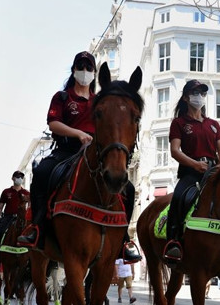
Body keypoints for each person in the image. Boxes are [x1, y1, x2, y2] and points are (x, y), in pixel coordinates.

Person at [18, 51, 141, 263]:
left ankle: (123, 239)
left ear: (94, 73)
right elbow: (53, 124)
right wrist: (78, 134)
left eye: (89, 68)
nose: (85, 72)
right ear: (74, 70)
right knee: (42, 172)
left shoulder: (101, 100)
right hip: (67, 151)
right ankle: (36, 227)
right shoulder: (62, 97)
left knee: (128, 188)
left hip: (96, 153)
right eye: (81, 67)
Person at [163, 79, 220, 264]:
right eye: (195, 92)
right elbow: (175, 151)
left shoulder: (213, 124)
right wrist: (195, 165)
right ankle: (173, 241)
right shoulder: (179, 123)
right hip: (191, 172)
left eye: (202, 93)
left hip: (213, 171)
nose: (199, 96)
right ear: (185, 97)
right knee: (179, 197)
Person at [0, 170, 30, 270]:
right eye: (17, 176)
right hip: (8, 217)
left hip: (22, 218)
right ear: (13, 178)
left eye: (21, 177)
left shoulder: (26, 193)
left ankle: (31, 260)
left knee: (33, 236)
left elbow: (30, 207)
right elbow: (0, 207)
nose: (20, 178)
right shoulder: (6, 192)